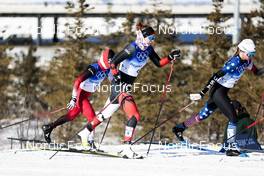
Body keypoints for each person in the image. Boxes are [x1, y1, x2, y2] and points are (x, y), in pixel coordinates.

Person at [75, 23, 181, 158]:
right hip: (120, 86)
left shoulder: (148, 49)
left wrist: (170, 57)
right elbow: (113, 62)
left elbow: (159, 63)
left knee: (105, 114)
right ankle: (126, 147)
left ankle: (85, 132)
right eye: (150, 38)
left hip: (125, 86)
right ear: (143, 37)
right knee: (134, 116)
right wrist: (117, 76)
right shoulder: (132, 47)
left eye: (153, 38)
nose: (152, 41)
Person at [172, 39, 264, 156]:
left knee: (202, 115)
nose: (251, 56)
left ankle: (179, 128)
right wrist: (202, 93)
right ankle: (230, 147)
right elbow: (215, 76)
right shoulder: (234, 63)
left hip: (223, 92)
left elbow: (257, 71)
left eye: (253, 54)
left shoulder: (247, 61)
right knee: (233, 117)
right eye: (249, 54)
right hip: (217, 91)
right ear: (241, 51)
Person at [42, 48, 115, 150]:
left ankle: (48, 128)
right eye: (109, 61)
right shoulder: (94, 68)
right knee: (93, 117)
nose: (110, 63)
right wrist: (74, 98)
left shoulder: (108, 69)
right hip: (80, 95)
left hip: (85, 95)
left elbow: (113, 80)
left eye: (111, 61)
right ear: (104, 59)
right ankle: (89, 142)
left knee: (70, 116)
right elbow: (78, 81)